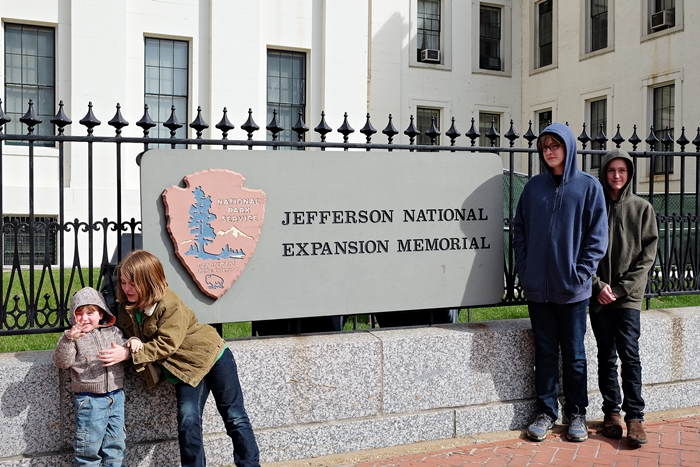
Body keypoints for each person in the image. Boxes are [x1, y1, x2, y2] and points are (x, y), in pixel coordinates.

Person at [97, 249, 260, 467]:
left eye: (132, 283)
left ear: (148, 281)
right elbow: (129, 332)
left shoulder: (168, 302)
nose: (127, 289)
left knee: (234, 416)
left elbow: (167, 343)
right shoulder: (126, 306)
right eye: (124, 282)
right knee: (188, 420)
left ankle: (250, 464)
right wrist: (132, 340)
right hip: (183, 369)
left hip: (212, 356)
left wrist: (128, 354)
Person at [513, 122, 608, 442]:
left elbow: (597, 237)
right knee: (544, 353)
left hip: (573, 291)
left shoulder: (588, 186)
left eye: (555, 145)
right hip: (539, 289)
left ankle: (577, 413)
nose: (549, 151)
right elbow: (520, 230)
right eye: (545, 147)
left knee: (574, 353)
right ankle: (545, 411)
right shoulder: (533, 187)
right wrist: (526, 271)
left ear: (568, 148)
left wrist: (580, 274)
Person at [591, 149, 658, 446]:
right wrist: (598, 286)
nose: (616, 176)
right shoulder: (594, 207)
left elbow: (647, 257)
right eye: (611, 171)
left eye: (622, 170)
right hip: (600, 296)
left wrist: (619, 289)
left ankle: (635, 417)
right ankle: (611, 415)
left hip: (627, 297)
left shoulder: (643, 209)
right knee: (606, 356)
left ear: (629, 173)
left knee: (630, 355)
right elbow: (584, 252)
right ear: (604, 173)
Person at [53, 286, 142, 467]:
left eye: (90, 312)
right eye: (79, 313)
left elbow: (125, 347)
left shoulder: (113, 332)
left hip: (116, 397)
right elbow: (62, 362)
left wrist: (133, 341)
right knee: (88, 448)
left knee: (116, 444)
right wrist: (68, 339)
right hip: (90, 401)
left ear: (101, 314)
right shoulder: (73, 337)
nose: (84, 318)